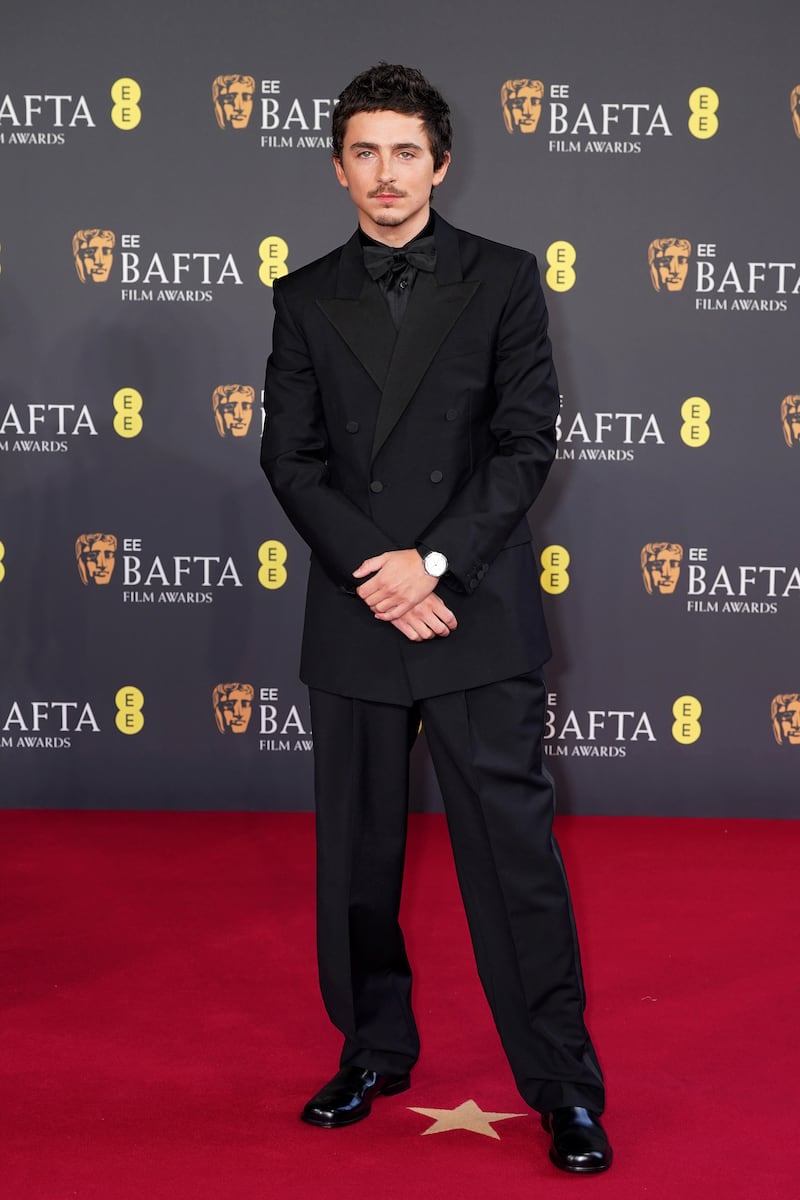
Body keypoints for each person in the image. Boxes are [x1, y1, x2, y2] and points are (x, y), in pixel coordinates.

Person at [261, 63, 611, 1175]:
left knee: (513, 862)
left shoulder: (504, 279)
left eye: (403, 151)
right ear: (336, 167)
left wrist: (435, 562)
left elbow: (522, 443)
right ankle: (371, 1048)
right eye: (361, 152)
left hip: (472, 609)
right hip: (361, 609)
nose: (384, 174)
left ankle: (562, 1086)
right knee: (355, 860)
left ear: (440, 162)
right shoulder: (304, 293)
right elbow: (290, 456)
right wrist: (378, 569)